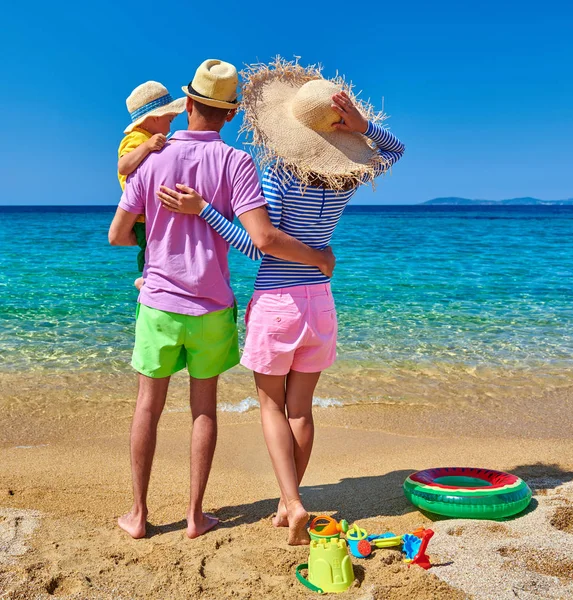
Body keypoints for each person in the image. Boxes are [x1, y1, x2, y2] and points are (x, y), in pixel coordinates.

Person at [157, 59, 405, 545]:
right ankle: (284, 501)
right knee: (301, 411)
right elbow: (395, 151)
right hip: (320, 303)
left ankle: (292, 503)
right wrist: (363, 127)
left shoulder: (281, 174)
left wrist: (202, 209)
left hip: (277, 300)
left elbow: (258, 243)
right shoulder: (347, 178)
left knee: (270, 407)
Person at [108, 59, 335, 540]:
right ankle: (195, 516)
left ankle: (138, 514)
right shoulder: (237, 163)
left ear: (186, 104)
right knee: (204, 410)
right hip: (212, 305)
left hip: (159, 303)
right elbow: (256, 242)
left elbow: (117, 235)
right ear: (230, 115)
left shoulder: (152, 159)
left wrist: (153, 242)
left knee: (147, 406)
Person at [117, 81, 186, 290]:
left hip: (148, 212)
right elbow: (123, 166)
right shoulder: (137, 138)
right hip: (140, 215)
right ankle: (146, 281)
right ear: (155, 117)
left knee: (159, 250)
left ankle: (151, 279)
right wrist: (146, 146)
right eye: (169, 118)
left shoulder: (152, 138)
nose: (171, 122)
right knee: (152, 250)